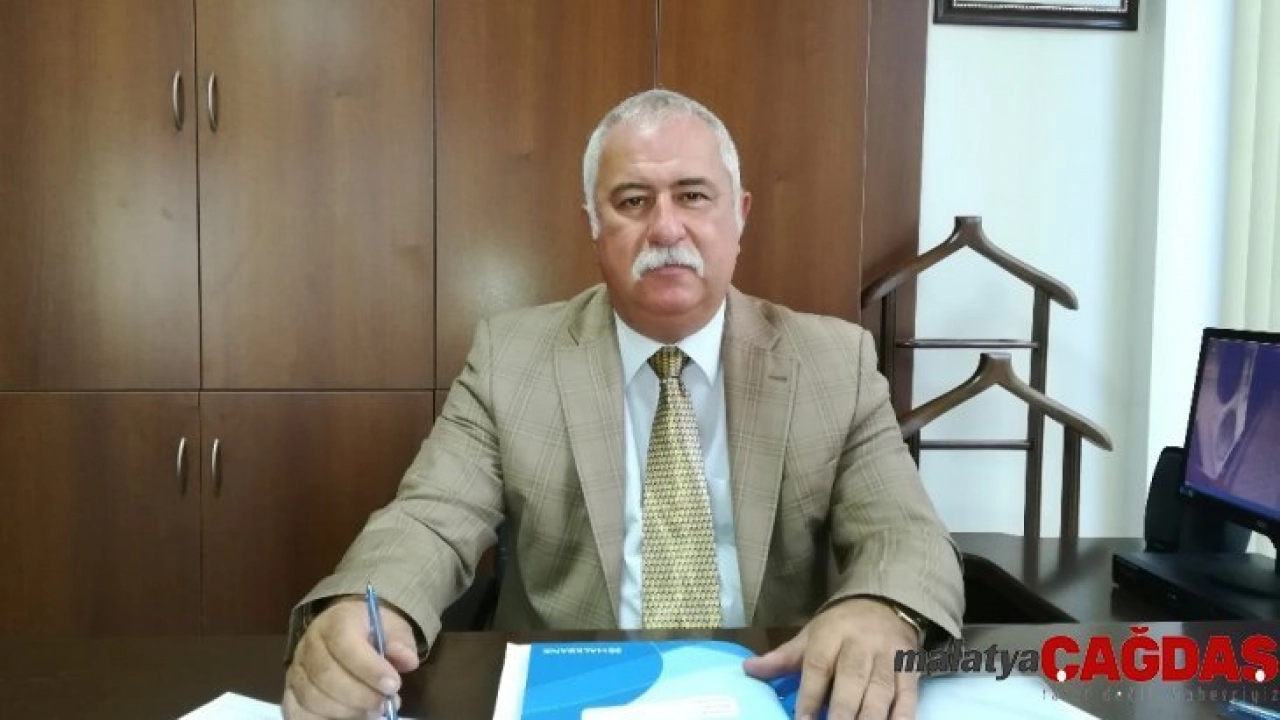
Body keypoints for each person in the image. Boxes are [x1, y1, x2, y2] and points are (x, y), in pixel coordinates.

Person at [282, 88, 964, 720]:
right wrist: (370, 607)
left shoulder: (834, 362)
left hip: (771, 686)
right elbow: (430, 520)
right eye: (633, 201)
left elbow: (905, 533)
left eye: (693, 195)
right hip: (572, 692)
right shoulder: (512, 359)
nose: (665, 228)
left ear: (739, 215)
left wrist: (884, 609)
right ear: (594, 225)